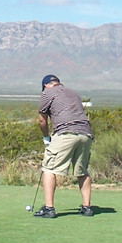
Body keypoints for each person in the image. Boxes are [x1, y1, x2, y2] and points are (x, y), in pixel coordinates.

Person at [34, 74, 94, 218]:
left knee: (49, 168)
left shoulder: (47, 93)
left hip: (66, 133)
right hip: (85, 134)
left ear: (45, 86)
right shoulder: (73, 92)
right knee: (82, 171)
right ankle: (87, 208)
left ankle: (49, 208)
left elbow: (42, 120)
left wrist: (46, 138)